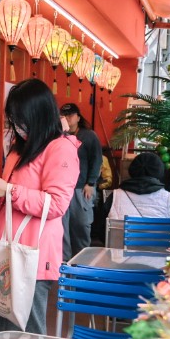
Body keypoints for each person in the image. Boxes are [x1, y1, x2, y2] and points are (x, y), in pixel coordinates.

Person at [0, 79, 79, 337]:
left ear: (38, 115)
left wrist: (8, 191)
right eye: (13, 118)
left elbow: (56, 204)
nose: (16, 125)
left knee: (27, 335)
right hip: (1, 250)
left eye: (20, 118)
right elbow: (13, 198)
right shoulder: (19, 149)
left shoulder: (61, 148)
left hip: (31, 255)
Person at [59, 103, 103, 259]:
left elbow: (97, 160)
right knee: (61, 229)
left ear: (78, 117)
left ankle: (82, 263)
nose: (67, 119)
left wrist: (91, 183)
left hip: (81, 188)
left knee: (81, 226)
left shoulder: (89, 135)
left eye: (70, 115)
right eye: (63, 116)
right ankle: (63, 264)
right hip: (62, 189)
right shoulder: (58, 136)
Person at [104, 152, 170, 221]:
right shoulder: (168, 199)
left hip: (119, 239)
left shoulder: (115, 196)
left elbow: (102, 231)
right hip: (157, 239)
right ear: (159, 171)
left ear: (132, 169)